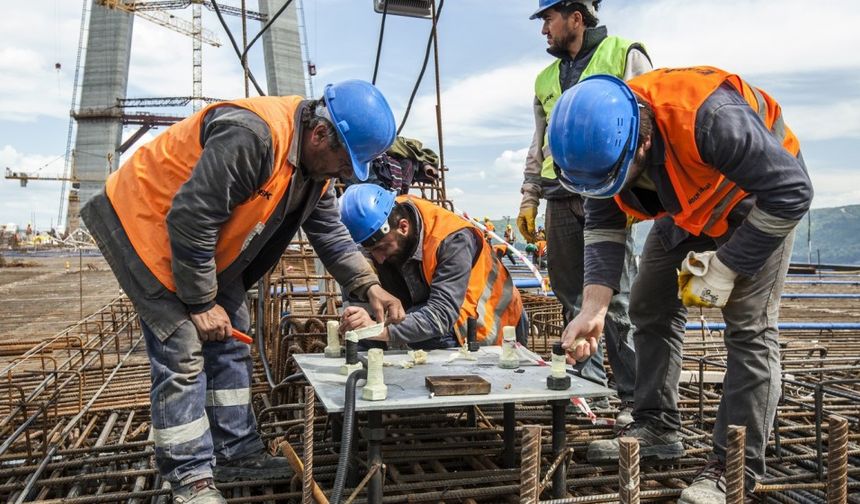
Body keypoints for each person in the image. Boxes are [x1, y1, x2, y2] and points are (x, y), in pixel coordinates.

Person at [81, 80, 406, 504]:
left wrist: (369, 286)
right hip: (145, 226)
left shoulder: (316, 170)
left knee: (234, 329)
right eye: (346, 163)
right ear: (320, 133)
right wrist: (199, 303)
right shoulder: (254, 136)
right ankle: (189, 478)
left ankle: (234, 451)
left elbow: (330, 234)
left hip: (205, 244)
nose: (347, 174)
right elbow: (192, 217)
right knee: (181, 345)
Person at [549, 67, 812, 503]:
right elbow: (604, 221)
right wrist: (594, 308)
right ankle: (657, 425)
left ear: (643, 141)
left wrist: (727, 266)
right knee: (650, 301)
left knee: (749, 330)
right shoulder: (599, 142)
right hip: (689, 202)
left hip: (761, 202)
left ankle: (734, 468)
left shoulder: (710, 119)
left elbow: (792, 192)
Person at [516, 0, 649, 426]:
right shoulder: (544, 79)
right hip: (559, 194)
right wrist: (529, 196)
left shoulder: (623, 53)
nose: (544, 31)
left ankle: (634, 398)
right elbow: (539, 144)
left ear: (576, 16)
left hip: (610, 190)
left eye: (548, 19)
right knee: (570, 297)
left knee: (619, 300)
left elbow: (648, 123)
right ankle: (592, 391)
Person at [339, 184, 527, 349]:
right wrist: (358, 319)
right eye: (371, 251)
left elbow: (441, 315)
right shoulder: (371, 228)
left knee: (427, 338)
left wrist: (376, 330)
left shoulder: (452, 239)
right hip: (429, 310)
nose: (379, 259)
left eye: (382, 248)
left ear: (403, 227)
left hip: (484, 322)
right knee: (365, 338)